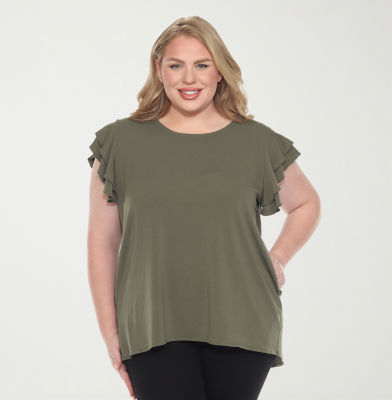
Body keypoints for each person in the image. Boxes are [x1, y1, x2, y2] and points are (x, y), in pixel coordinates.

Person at [87, 16, 321, 400]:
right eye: (175, 65)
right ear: (159, 70)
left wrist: (277, 257)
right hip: (151, 326)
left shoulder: (257, 143)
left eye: (201, 64)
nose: (188, 78)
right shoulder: (118, 143)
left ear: (219, 71)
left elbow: (307, 203)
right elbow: (102, 242)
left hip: (242, 321)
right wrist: (110, 332)